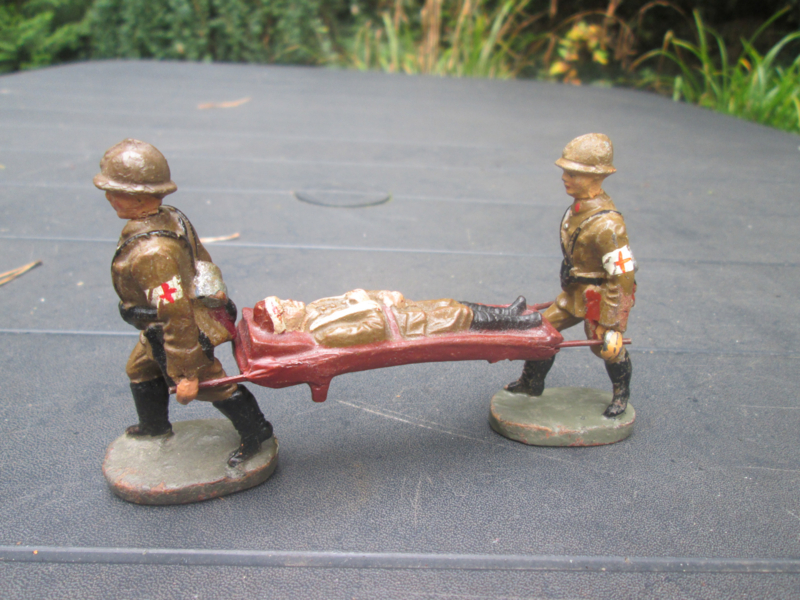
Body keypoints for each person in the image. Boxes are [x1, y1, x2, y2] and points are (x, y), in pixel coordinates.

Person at [95, 139, 273, 466]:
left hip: (182, 333)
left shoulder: (153, 254)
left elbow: (174, 312)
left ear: (139, 197)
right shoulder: (172, 218)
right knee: (140, 368)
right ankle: (154, 426)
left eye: (114, 192)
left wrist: (187, 371)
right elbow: (202, 263)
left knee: (212, 385)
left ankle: (256, 431)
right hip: (163, 327)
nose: (108, 198)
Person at [506, 133, 636, 417]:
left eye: (573, 173)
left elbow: (623, 277)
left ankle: (621, 394)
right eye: (565, 171)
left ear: (596, 177)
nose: (565, 177)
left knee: (607, 347)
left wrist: (613, 324)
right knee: (541, 332)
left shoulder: (609, 225)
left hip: (598, 299)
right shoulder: (577, 210)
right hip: (573, 296)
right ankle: (532, 383)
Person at [253, 289, 543, 347]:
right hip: (402, 326)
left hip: (398, 310)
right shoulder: (322, 333)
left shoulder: (316, 306)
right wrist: (373, 305)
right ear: (285, 323)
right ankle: (517, 324)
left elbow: (356, 294)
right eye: (284, 308)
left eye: (282, 300)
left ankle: (506, 313)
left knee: (449, 302)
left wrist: (381, 295)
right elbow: (374, 329)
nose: (289, 302)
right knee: (457, 315)